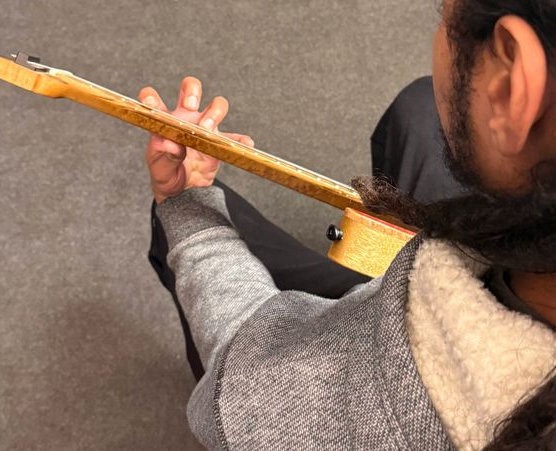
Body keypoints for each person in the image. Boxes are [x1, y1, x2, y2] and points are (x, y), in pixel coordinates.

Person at [138, 0, 556, 449]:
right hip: (429, 287)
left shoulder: (349, 414)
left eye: (444, 16)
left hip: (348, 372)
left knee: (188, 228)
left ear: (510, 85)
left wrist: (186, 197)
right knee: (419, 114)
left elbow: (244, 368)